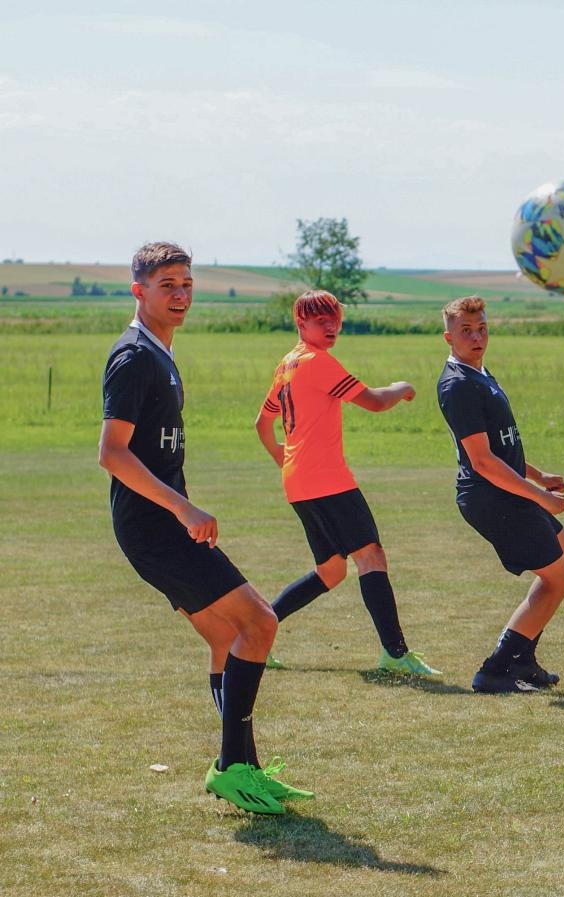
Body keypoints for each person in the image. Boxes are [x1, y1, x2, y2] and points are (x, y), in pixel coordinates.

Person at [99, 242, 311, 815]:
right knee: (260, 621)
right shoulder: (134, 357)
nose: (180, 294)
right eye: (167, 284)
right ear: (138, 290)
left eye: (187, 284)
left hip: (158, 523)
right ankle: (233, 768)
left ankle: (243, 769)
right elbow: (113, 454)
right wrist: (183, 510)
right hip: (153, 526)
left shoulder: (161, 353)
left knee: (227, 639)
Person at [254, 290, 440, 678]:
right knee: (370, 555)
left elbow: (262, 423)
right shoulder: (317, 362)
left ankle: (256, 634)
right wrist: (401, 386)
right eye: (320, 320)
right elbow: (373, 401)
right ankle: (395, 652)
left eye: (334, 318)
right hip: (325, 478)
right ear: (300, 324)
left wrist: (284, 461)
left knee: (330, 571)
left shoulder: (286, 365)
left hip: (301, 481)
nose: (331, 326)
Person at [435, 295, 564, 694]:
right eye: (465, 330)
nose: (476, 336)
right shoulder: (459, 384)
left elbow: (503, 447)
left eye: (482, 327)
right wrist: (538, 494)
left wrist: (539, 475)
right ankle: (496, 669)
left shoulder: (481, 374)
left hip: (506, 488)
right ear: (448, 337)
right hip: (491, 497)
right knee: (557, 578)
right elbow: (482, 461)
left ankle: (523, 659)